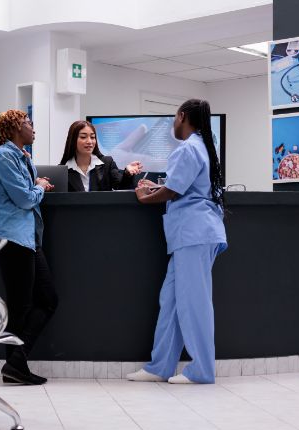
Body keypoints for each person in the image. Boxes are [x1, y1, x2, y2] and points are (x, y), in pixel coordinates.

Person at [126, 99, 227, 385]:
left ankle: (202, 370)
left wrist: (146, 196)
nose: (173, 122)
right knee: (170, 301)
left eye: (174, 117)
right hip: (192, 235)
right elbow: (184, 188)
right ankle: (160, 366)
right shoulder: (200, 146)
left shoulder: (188, 148)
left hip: (194, 235)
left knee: (194, 303)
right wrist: (157, 189)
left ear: (182, 116)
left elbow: (173, 191)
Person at [0, 109, 58, 386]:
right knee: (20, 305)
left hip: (26, 238)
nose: (33, 127)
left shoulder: (22, 157)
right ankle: (15, 366)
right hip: (10, 237)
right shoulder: (3, 156)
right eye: (28, 123)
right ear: (15, 128)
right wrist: (39, 187)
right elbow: (25, 199)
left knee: (47, 300)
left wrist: (36, 185)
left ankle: (16, 362)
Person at [60, 120, 142, 192]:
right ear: (73, 140)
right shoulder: (62, 170)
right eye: (83, 137)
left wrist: (127, 173)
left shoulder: (107, 163)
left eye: (92, 137)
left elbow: (122, 187)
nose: (89, 141)